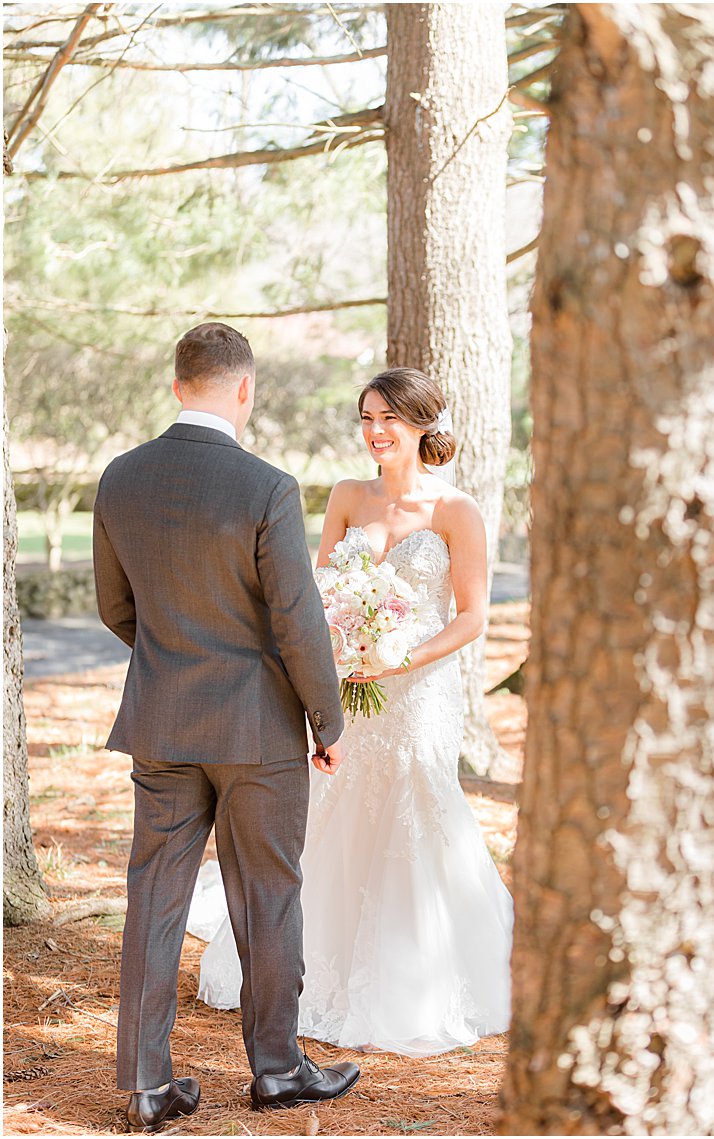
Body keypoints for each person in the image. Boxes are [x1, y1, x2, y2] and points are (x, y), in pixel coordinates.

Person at [189, 366, 514, 1057]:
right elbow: (314, 593)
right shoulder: (345, 495)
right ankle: (300, 971)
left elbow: (475, 616)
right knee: (330, 809)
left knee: (415, 807)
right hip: (349, 685)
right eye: (366, 418)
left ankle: (413, 977)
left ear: (422, 423)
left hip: (418, 690)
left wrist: (402, 655)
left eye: (388, 418)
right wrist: (336, 649)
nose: (375, 432)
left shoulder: (456, 511)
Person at [94, 322, 361, 1132]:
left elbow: (115, 608)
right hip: (258, 733)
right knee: (268, 899)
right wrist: (327, 717)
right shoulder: (268, 487)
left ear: (178, 385)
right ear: (245, 390)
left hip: (163, 727)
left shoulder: (119, 478)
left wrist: (176, 662)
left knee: (155, 899)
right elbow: (298, 621)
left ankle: (146, 1084)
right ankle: (277, 1070)